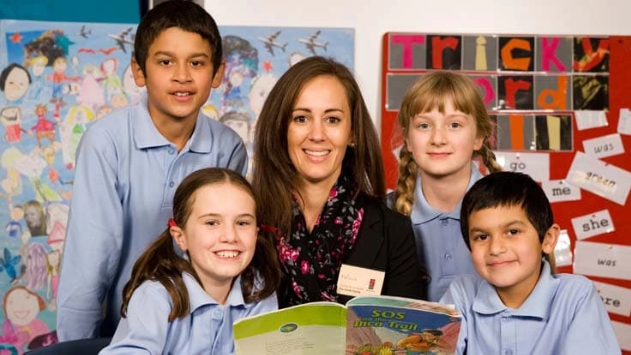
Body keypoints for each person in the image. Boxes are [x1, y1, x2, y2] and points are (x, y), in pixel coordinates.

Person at [57, 0, 248, 341]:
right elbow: (89, 264)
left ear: (217, 73)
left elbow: (223, 258)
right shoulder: (106, 143)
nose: (182, 76)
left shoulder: (228, 148)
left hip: (196, 336)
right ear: (139, 71)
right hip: (121, 334)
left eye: (197, 63)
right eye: (165, 61)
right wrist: (75, 348)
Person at [252, 56, 424, 308]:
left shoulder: (393, 231)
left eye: (332, 119)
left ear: (352, 132)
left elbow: (405, 339)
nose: (317, 135)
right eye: (301, 118)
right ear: (280, 129)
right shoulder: (249, 224)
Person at [99, 168, 279, 354]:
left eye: (242, 223)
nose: (230, 236)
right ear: (180, 237)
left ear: (256, 233)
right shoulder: (156, 297)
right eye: (212, 223)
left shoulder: (260, 292)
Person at [440, 171, 620, 354]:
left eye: (513, 232)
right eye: (482, 236)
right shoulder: (462, 293)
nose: (495, 248)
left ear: (548, 239)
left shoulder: (576, 296)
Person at [391, 71, 502, 302]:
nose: (438, 139)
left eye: (454, 124)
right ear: (408, 140)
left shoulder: (511, 209)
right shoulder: (380, 216)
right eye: (423, 125)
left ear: (479, 137)